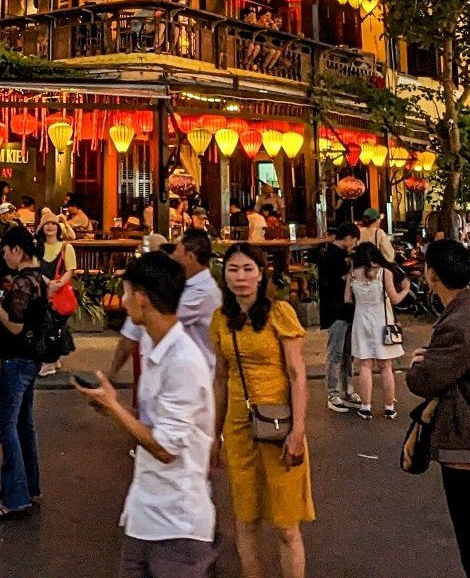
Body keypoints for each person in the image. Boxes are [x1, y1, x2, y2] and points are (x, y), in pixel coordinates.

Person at [75, 252, 217, 578]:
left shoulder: (183, 361)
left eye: (126, 293)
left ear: (141, 299)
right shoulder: (153, 345)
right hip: (144, 516)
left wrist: (113, 407)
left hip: (177, 526)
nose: (123, 302)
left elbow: (166, 448)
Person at [406, 239, 470, 578]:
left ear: (432, 275)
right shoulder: (469, 312)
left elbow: (422, 382)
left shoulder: (460, 323)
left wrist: (418, 364)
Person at [211, 242, 313, 578]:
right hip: (238, 424)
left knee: (286, 524)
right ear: (224, 276)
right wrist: (214, 434)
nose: (240, 277)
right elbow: (221, 377)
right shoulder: (221, 319)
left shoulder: (279, 313)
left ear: (260, 274)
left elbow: (298, 375)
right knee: (246, 518)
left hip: (278, 423)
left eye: (247, 269)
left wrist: (298, 431)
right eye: (233, 270)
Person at [0, 224, 48, 521]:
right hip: (32, 359)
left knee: (5, 425)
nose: (4, 255)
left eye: (6, 249)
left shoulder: (22, 283)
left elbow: (16, 325)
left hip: (16, 359)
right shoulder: (39, 278)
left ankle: (15, 497)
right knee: (23, 424)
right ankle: (29, 486)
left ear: (17, 250)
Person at [111, 229, 222, 382]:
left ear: (190, 257)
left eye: (177, 250)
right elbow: (132, 332)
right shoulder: (177, 285)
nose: (173, 255)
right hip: (162, 370)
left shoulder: (204, 292)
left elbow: (157, 313)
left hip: (188, 376)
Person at [345, 241, 409, 419]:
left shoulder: (353, 275)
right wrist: (405, 290)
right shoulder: (384, 273)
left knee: (365, 364)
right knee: (386, 366)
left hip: (361, 321)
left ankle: (366, 407)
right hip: (383, 321)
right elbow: (395, 299)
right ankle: (389, 407)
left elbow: (347, 299)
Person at [317, 222, 361, 413]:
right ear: (349, 237)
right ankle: (333, 393)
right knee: (335, 353)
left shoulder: (344, 257)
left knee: (348, 354)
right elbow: (329, 285)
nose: (355, 244)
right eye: (355, 240)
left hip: (347, 311)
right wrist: (347, 277)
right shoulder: (329, 257)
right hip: (335, 311)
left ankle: (347, 390)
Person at [36, 208, 77, 377]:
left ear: (58, 227)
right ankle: (50, 360)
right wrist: (48, 284)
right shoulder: (37, 248)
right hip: (43, 294)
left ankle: (50, 362)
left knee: (56, 328)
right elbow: (35, 269)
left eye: (53, 223)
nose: (50, 227)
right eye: (47, 224)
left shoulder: (67, 248)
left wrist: (58, 284)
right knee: (45, 327)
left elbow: (70, 269)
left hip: (60, 295)